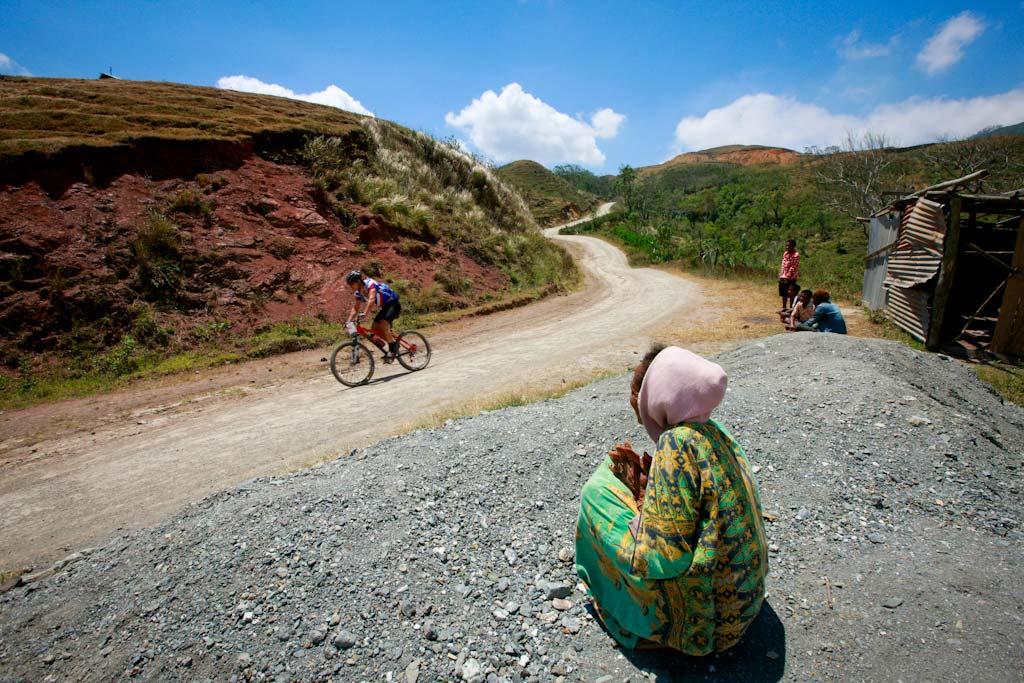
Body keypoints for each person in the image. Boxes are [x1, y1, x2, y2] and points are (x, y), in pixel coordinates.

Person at [575, 345, 768, 655]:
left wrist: (639, 526)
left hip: (708, 626)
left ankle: (636, 616)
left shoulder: (676, 443)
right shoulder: (716, 433)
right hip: (746, 602)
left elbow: (664, 559)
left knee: (594, 495)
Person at [345, 270, 402, 359]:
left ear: (358, 281)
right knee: (374, 329)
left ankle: (393, 348)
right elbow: (355, 308)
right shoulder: (358, 292)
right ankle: (394, 344)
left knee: (383, 325)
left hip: (393, 303)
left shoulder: (370, 283)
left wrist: (364, 313)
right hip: (385, 307)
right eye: (349, 284)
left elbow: (371, 299)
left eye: (352, 283)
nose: (350, 286)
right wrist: (348, 321)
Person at [778, 239, 800, 310]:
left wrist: (787, 277)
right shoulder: (785, 253)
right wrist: (781, 275)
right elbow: (783, 265)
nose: (787, 247)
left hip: (791, 278)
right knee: (783, 293)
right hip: (783, 276)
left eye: (789, 245)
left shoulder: (796, 255)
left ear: (793, 246)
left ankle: (791, 308)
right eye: (786, 245)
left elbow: (793, 267)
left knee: (791, 293)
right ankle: (784, 307)